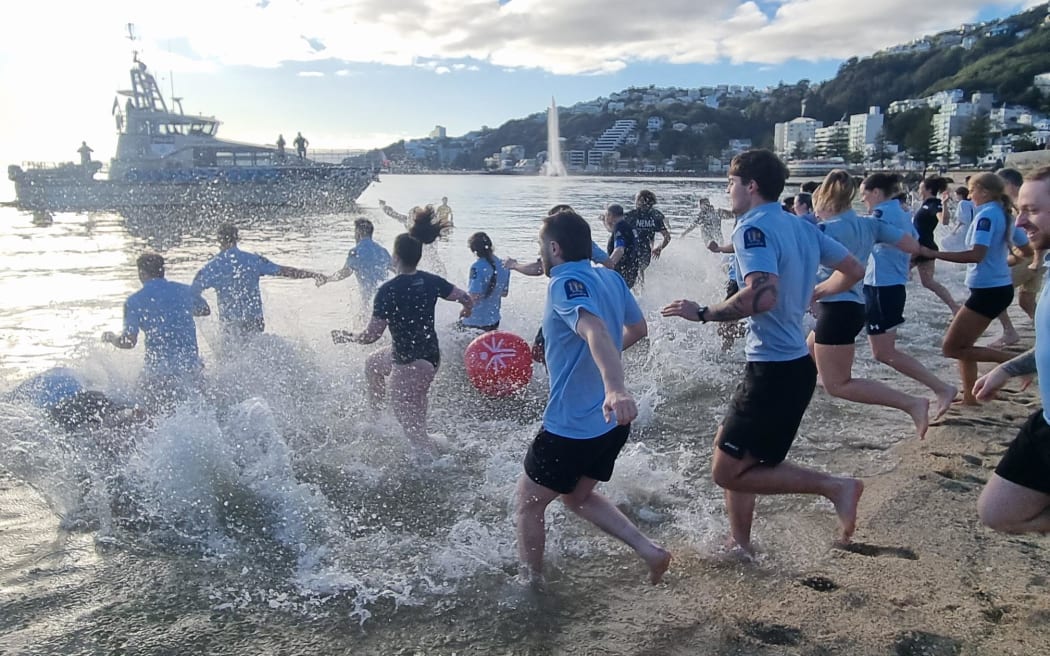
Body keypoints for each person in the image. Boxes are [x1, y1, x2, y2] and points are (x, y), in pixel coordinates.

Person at [661, 149, 867, 555]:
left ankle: (835, 487)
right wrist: (814, 291)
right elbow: (855, 270)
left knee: (725, 472)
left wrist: (702, 313)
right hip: (790, 367)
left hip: (773, 372)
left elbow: (761, 296)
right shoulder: (799, 225)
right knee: (744, 465)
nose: (727, 191)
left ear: (750, 186)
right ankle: (741, 544)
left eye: (730, 184)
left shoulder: (750, 227)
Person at [515, 207, 670, 587]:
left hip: (574, 425)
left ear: (554, 247)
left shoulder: (562, 283)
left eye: (541, 249)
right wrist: (609, 371)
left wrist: (615, 386)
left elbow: (596, 329)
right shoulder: (611, 279)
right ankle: (651, 551)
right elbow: (637, 329)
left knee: (527, 504)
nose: (541, 258)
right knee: (577, 497)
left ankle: (532, 584)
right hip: (611, 423)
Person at [331, 207, 473, 453]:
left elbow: (371, 335)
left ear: (395, 257)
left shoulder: (388, 290)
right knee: (373, 365)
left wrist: (347, 336)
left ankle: (439, 464)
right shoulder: (431, 280)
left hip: (408, 362)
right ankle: (375, 420)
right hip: (429, 355)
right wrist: (466, 311)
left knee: (414, 434)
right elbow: (464, 297)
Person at [807, 170, 930, 439]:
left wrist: (811, 293)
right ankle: (798, 405)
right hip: (855, 306)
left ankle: (912, 404)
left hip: (836, 308)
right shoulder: (870, 224)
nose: (817, 215)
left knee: (838, 385)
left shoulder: (824, 230)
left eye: (818, 209)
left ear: (825, 203)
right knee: (806, 353)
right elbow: (911, 245)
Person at [971, 166, 1050, 534]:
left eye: (1032, 210)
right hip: (1046, 422)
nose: (1021, 221)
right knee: (997, 511)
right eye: (1020, 209)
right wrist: (1006, 370)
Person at [859, 173, 957, 418]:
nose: (862, 199)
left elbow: (870, 239)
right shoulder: (901, 213)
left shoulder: (882, 214)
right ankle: (816, 374)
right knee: (829, 332)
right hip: (884, 284)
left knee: (884, 352)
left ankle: (942, 388)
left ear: (877, 193)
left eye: (864, 194)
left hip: (882, 286)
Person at [921, 172, 1020, 405]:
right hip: (994, 287)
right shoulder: (1002, 213)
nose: (970, 194)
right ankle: (969, 398)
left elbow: (976, 254)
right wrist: (1003, 264)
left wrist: (933, 253)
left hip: (989, 291)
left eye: (972, 190)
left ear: (984, 191)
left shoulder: (986, 216)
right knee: (964, 346)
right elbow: (1024, 248)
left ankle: (1018, 363)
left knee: (951, 347)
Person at [102, 253, 211, 408]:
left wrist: (112, 338)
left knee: (140, 409)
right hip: (191, 369)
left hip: (158, 374)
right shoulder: (185, 291)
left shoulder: (134, 301)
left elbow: (128, 342)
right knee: (202, 409)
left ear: (141, 273)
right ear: (162, 271)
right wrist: (178, 309)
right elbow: (205, 310)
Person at [192, 223, 327, 337]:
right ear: (237, 238)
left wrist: (199, 309)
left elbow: (192, 293)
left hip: (230, 324)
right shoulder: (254, 260)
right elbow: (284, 271)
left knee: (232, 358)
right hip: (254, 321)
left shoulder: (211, 267)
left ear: (219, 240)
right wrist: (313, 275)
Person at [992, 167, 1041, 347]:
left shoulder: (1020, 200)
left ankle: (1009, 332)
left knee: (993, 290)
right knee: (1026, 301)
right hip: (1038, 256)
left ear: (1008, 184)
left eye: (999, 185)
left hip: (1030, 256)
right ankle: (1046, 331)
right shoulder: (1022, 200)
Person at [909, 176, 960, 314]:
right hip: (922, 246)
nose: (919, 191)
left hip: (922, 248)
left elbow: (943, 221)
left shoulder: (933, 204)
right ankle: (955, 307)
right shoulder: (926, 204)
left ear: (928, 189)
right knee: (927, 282)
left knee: (895, 272)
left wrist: (944, 204)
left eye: (920, 188)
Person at [324, 218, 392, 315]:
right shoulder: (382, 251)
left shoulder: (355, 252)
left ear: (358, 233)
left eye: (354, 232)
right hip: (386, 297)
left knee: (363, 322)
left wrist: (327, 279)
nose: (354, 236)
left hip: (369, 301)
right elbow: (398, 269)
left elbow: (345, 273)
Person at [461, 231, 510, 332]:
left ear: (474, 251)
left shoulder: (477, 267)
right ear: (491, 246)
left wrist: (464, 309)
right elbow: (504, 293)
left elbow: (474, 296)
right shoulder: (505, 266)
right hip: (494, 320)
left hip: (474, 321)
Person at [624, 190, 671, 277]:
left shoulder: (632, 215)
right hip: (645, 251)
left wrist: (606, 218)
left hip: (635, 250)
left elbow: (616, 223)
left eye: (637, 199)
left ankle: (638, 290)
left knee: (635, 271)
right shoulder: (655, 215)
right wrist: (659, 248)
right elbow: (667, 237)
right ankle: (641, 290)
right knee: (639, 271)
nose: (635, 201)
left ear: (642, 201)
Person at [602, 203, 642, 289]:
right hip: (631, 270)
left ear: (610, 215)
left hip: (621, 273)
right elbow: (612, 231)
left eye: (606, 215)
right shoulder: (628, 226)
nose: (605, 218)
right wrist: (605, 223)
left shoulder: (619, 227)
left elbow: (619, 249)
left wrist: (606, 267)